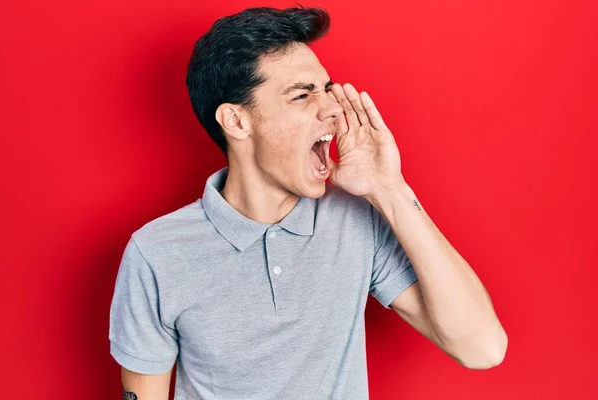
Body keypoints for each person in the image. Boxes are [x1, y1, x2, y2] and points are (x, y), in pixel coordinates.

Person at [109, 6, 508, 400]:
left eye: (326, 89)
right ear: (236, 121)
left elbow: (482, 348)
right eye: (302, 95)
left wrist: (390, 190)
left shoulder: (355, 220)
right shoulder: (157, 254)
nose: (333, 108)